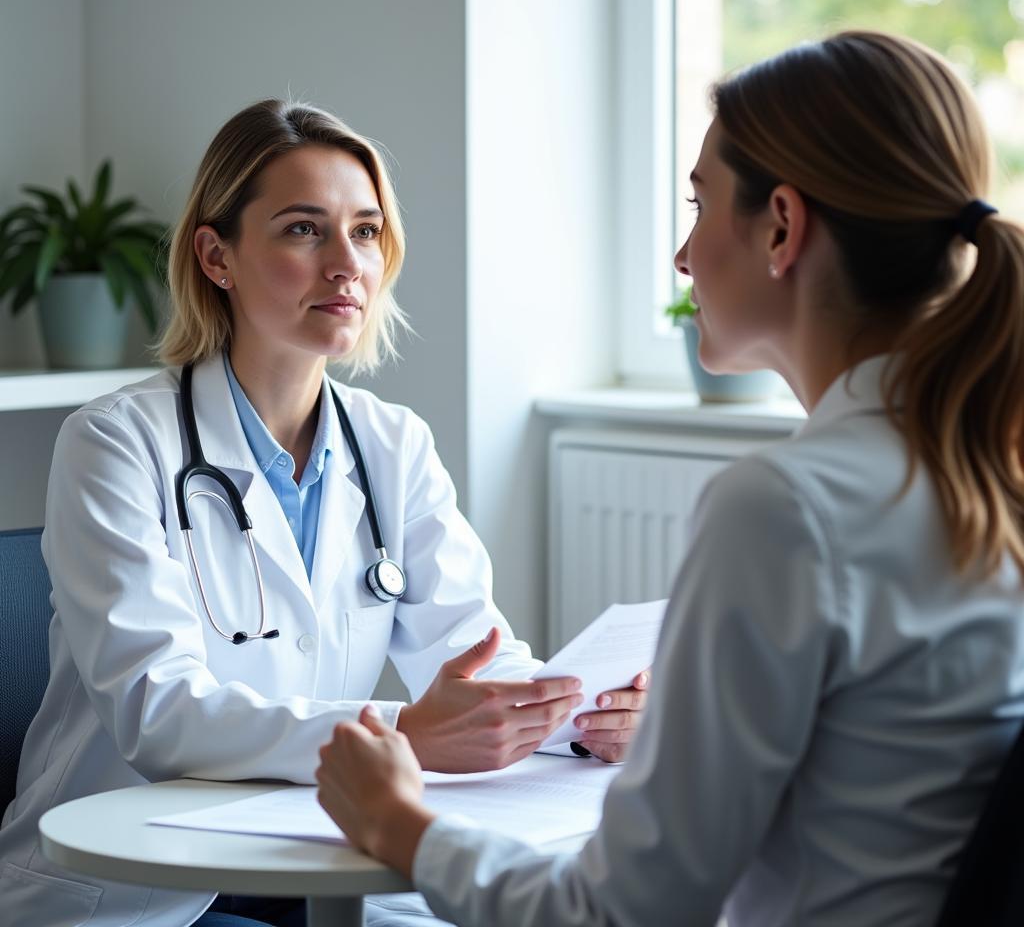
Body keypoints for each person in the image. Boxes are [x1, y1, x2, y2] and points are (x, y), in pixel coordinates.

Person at [315, 29, 1024, 926]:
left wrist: (398, 824)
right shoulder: (984, 473)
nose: (684, 258)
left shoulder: (790, 507)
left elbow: (620, 915)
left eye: (699, 206)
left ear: (781, 226)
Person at [0, 99, 649, 927]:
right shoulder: (115, 443)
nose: (348, 264)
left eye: (367, 231)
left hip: (303, 852)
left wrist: (587, 715)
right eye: (305, 230)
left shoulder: (393, 444)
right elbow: (157, 714)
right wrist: (406, 732)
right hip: (135, 884)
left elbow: (473, 660)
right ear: (216, 255)